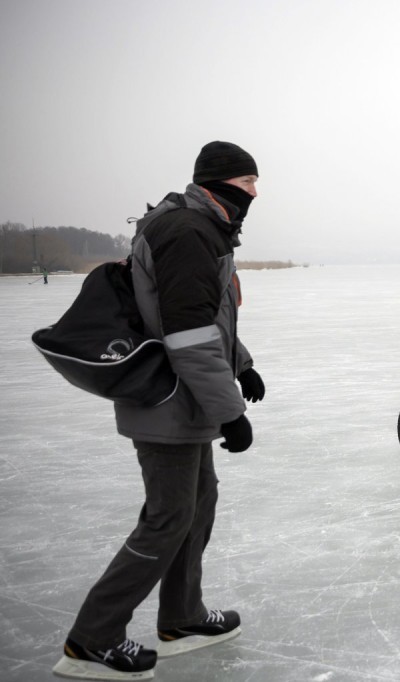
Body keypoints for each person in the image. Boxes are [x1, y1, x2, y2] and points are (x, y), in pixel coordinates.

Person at [53, 141, 266, 681]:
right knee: (169, 516)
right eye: (247, 184)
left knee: (197, 502)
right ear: (218, 183)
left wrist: (240, 364)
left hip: (184, 395)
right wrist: (231, 411)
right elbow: (189, 335)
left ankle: (183, 617)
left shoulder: (197, 225)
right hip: (168, 397)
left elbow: (206, 319)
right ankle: (92, 640)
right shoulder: (190, 232)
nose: (255, 194)